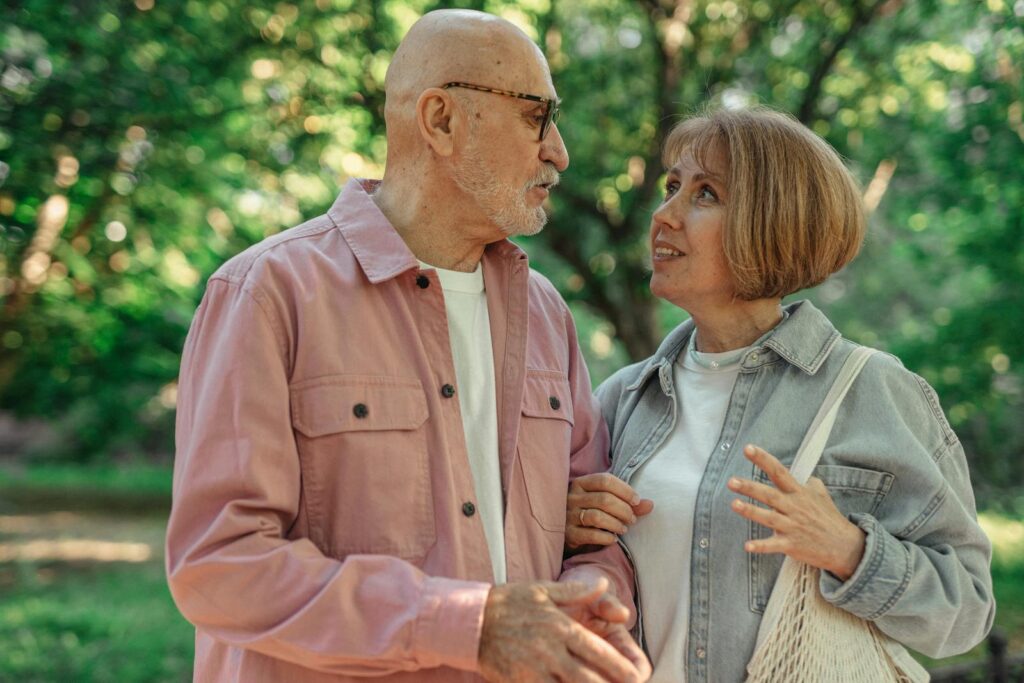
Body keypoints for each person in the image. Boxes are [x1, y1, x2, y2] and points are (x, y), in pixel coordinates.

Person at [165, 9, 649, 683]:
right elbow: (220, 565)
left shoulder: (547, 314)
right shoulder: (268, 292)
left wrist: (595, 600)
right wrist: (467, 624)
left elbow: (595, 538)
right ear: (442, 119)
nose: (558, 151)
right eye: (537, 116)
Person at [562, 107, 995, 682]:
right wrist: (563, 528)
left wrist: (848, 550)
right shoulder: (624, 398)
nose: (664, 216)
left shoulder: (871, 389)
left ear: (773, 224)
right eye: (672, 187)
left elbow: (965, 610)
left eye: (705, 194)